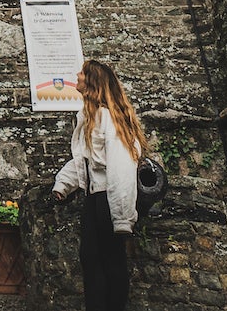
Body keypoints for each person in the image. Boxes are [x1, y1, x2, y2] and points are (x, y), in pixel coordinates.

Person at [53, 59, 149, 311]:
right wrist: (63, 185)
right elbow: (84, 161)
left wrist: (122, 218)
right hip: (94, 198)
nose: (76, 74)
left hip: (109, 198)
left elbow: (121, 167)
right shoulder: (89, 118)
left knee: (112, 260)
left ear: (91, 80)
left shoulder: (108, 119)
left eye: (82, 72)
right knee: (90, 258)